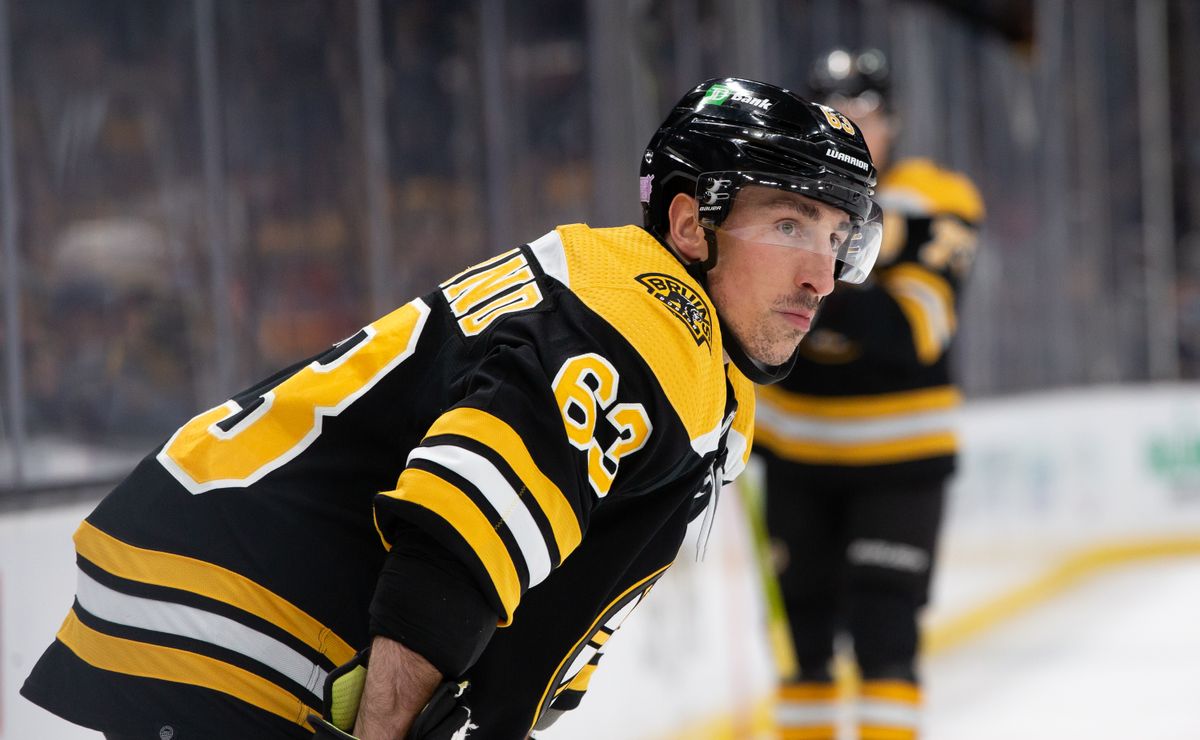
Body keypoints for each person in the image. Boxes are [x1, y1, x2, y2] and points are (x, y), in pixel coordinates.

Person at [21, 77, 883, 740]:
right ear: (692, 226)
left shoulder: (654, 319)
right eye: (790, 224)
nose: (821, 274)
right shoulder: (649, 322)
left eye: (838, 239)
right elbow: (460, 532)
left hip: (213, 569)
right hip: (245, 610)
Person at [754, 50, 985, 740]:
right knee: (801, 650)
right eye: (833, 110)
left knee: (885, 639)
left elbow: (915, 329)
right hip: (794, 456)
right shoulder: (775, 195)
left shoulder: (937, 196)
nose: (850, 125)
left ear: (895, 122)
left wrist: (801, 277)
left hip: (900, 460)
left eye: (866, 111)